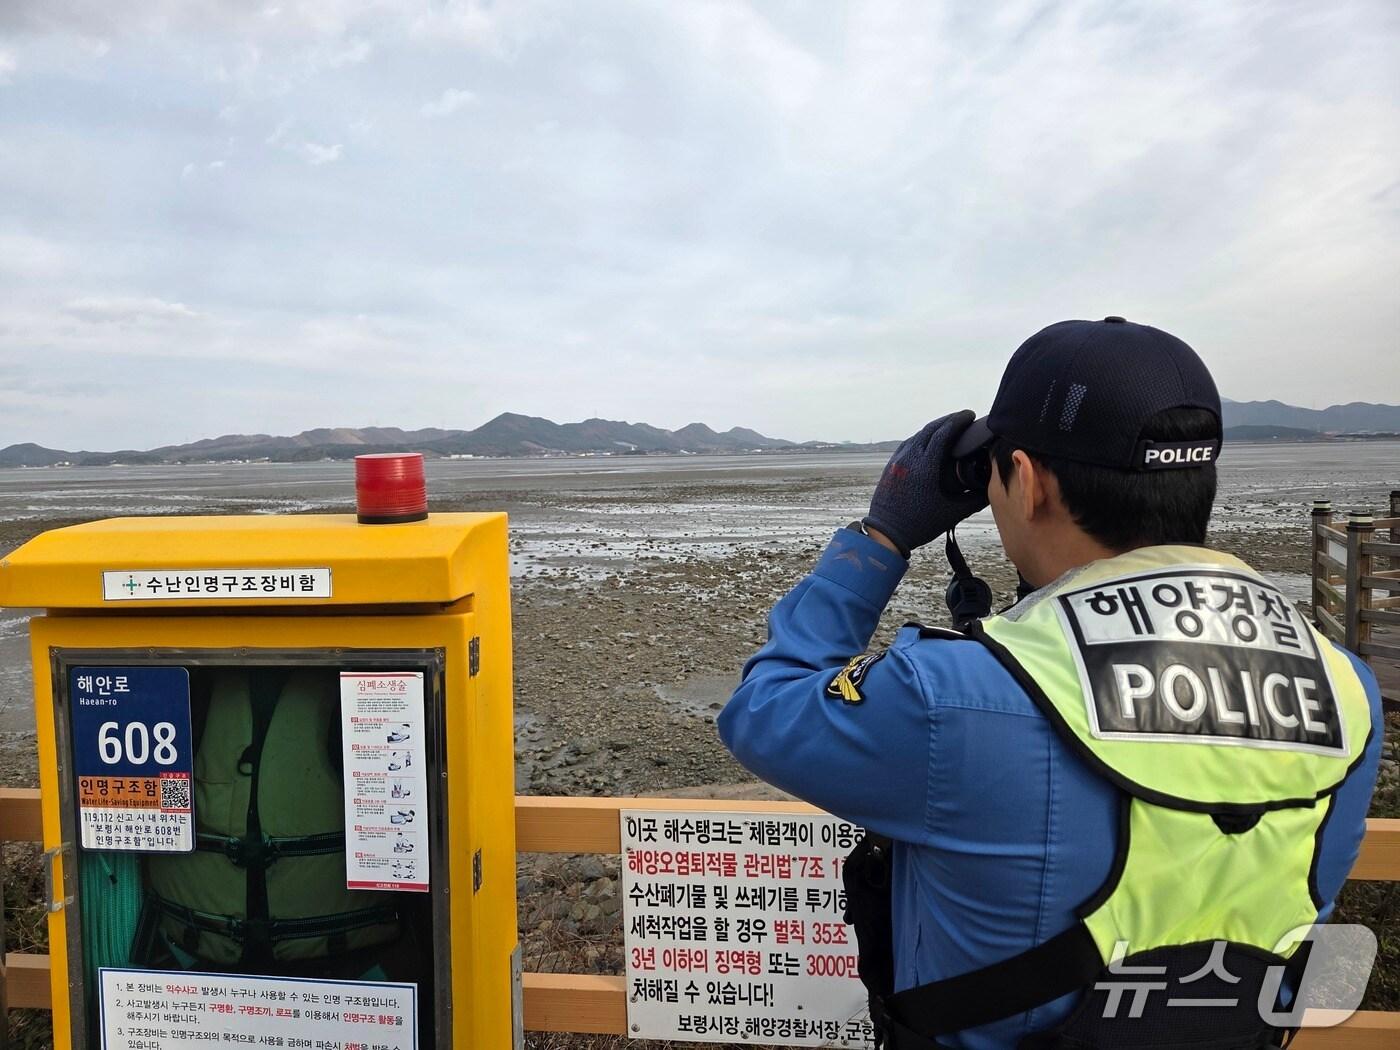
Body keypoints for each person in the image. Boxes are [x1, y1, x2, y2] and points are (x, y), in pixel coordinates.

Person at [717, 317, 1382, 1049]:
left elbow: (763, 709)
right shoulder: (1347, 691)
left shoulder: (954, 697)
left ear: (1026, 482)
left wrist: (880, 537)